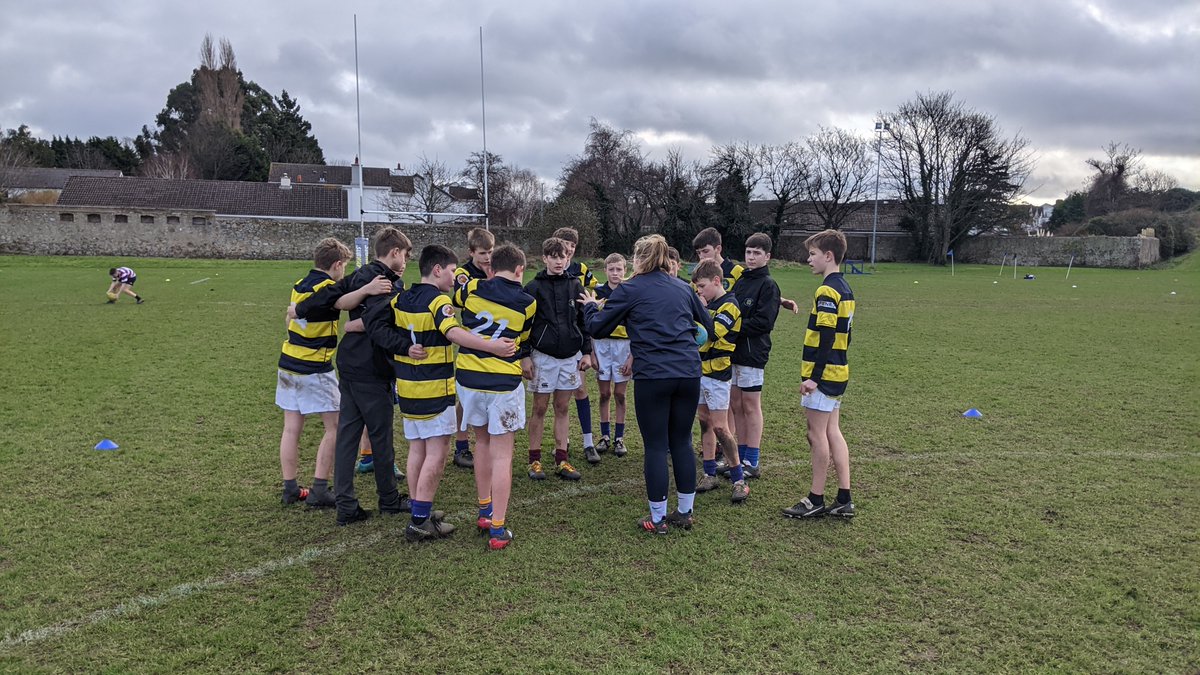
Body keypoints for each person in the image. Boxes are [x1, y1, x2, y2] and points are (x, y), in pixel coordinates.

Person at [368, 244, 517, 541]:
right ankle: (420, 521)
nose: (453, 278)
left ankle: (418, 511)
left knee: (417, 450)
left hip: (408, 387)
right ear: (437, 270)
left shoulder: (400, 297)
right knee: (437, 452)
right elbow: (453, 333)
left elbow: (373, 324)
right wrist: (493, 347)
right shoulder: (438, 301)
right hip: (434, 388)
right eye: (451, 271)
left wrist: (402, 347)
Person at [581, 234, 714, 535]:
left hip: (654, 374)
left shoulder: (630, 288)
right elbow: (707, 326)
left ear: (637, 259)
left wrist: (590, 306)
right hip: (688, 373)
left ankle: (657, 519)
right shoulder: (682, 286)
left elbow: (597, 327)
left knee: (655, 445)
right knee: (681, 441)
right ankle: (685, 512)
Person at [293, 227, 411, 526]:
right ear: (394, 252)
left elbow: (330, 293)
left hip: (348, 365)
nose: (407, 261)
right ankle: (389, 499)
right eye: (406, 255)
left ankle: (346, 504)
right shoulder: (385, 284)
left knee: (348, 435)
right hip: (372, 369)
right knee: (381, 436)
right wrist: (409, 348)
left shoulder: (361, 276)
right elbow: (380, 325)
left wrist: (302, 309)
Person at [453, 244, 536, 550]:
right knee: (503, 453)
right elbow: (521, 339)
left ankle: (485, 511)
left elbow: (457, 289)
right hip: (502, 380)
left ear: (491, 266)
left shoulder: (473, 288)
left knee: (482, 443)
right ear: (519, 270)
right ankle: (498, 529)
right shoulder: (528, 302)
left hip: (469, 378)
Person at [276, 238, 360, 507]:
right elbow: (343, 300)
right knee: (334, 427)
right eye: (344, 267)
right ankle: (320, 487)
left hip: (288, 362)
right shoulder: (328, 289)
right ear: (337, 265)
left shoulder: (299, 284)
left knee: (292, 428)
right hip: (315, 367)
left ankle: (290, 487)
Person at [785, 229, 857, 519]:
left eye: (813, 254)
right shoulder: (847, 288)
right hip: (839, 371)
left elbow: (827, 336)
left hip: (824, 375)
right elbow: (846, 336)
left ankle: (815, 499)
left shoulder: (827, 290)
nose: (808, 259)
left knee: (817, 435)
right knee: (832, 432)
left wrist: (814, 376)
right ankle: (844, 498)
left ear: (829, 256)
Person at [523, 237, 592, 478]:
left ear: (568, 258)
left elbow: (584, 322)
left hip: (569, 357)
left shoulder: (576, 285)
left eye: (562, 256)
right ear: (544, 258)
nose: (558, 261)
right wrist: (525, 357)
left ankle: (561, 459)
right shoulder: (533, 287)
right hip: (543, 357)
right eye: (553, 256)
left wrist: (586, 352)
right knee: (539, 408)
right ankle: (534, 460)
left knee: (562, 406)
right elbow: (524, 326)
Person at [691, 260, 749, 504]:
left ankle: (739, 480)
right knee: (705, 423)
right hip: (699, 372)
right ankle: (709, 473)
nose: (699, 292)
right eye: (696, 289)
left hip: (718, 376)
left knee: (720, 427)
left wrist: (699, 309)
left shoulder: (730, 305)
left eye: (702, 286)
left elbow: (713, 332)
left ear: (717, 281)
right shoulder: (709, 303)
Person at [729, 233, 782, 480]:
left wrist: (732, 326)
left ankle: (753, 459)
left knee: (751, 406)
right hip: (733, 353)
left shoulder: (768, 285)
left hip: (753, 354)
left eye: (757, 253)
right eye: (748, 252)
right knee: (736, 405)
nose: (751, 257)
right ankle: (739, 456)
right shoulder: (741, 280)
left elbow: (764, 322)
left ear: (767, 256)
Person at [552, 227, 599, 460]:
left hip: (577, 337)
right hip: (556, 342)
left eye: (572, 245)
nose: (569, 248)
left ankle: (588, 442)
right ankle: (563, 441)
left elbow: (595, 289)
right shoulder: (550, 269)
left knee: (580, 389)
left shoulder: (580, 270)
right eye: (564, 243)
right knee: (560, 396)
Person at [451, 226, 496, 470]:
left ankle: (485, 442)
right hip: (472, 338)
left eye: (490, 252)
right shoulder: (463, 273)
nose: (487, 257)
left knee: (486, 394)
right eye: (482, 253)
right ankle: (461, 446)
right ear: (471, 253)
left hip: (493, 337)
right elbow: (461, 299)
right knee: (465, 399)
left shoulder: (495, 268)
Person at [593, 253, 632, 458]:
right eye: (611, 269)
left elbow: (637, 325)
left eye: (619, 269)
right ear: (605, 270)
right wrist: (592, 352)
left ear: (624, 271)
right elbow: (589, 323)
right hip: (601, 345)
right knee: (605, 393)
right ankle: (605, 436)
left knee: (619, 393)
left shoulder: (629, 291)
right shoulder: (597, 292)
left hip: (623, 346)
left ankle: (619, 437)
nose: (615, 273)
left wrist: (631, 356)